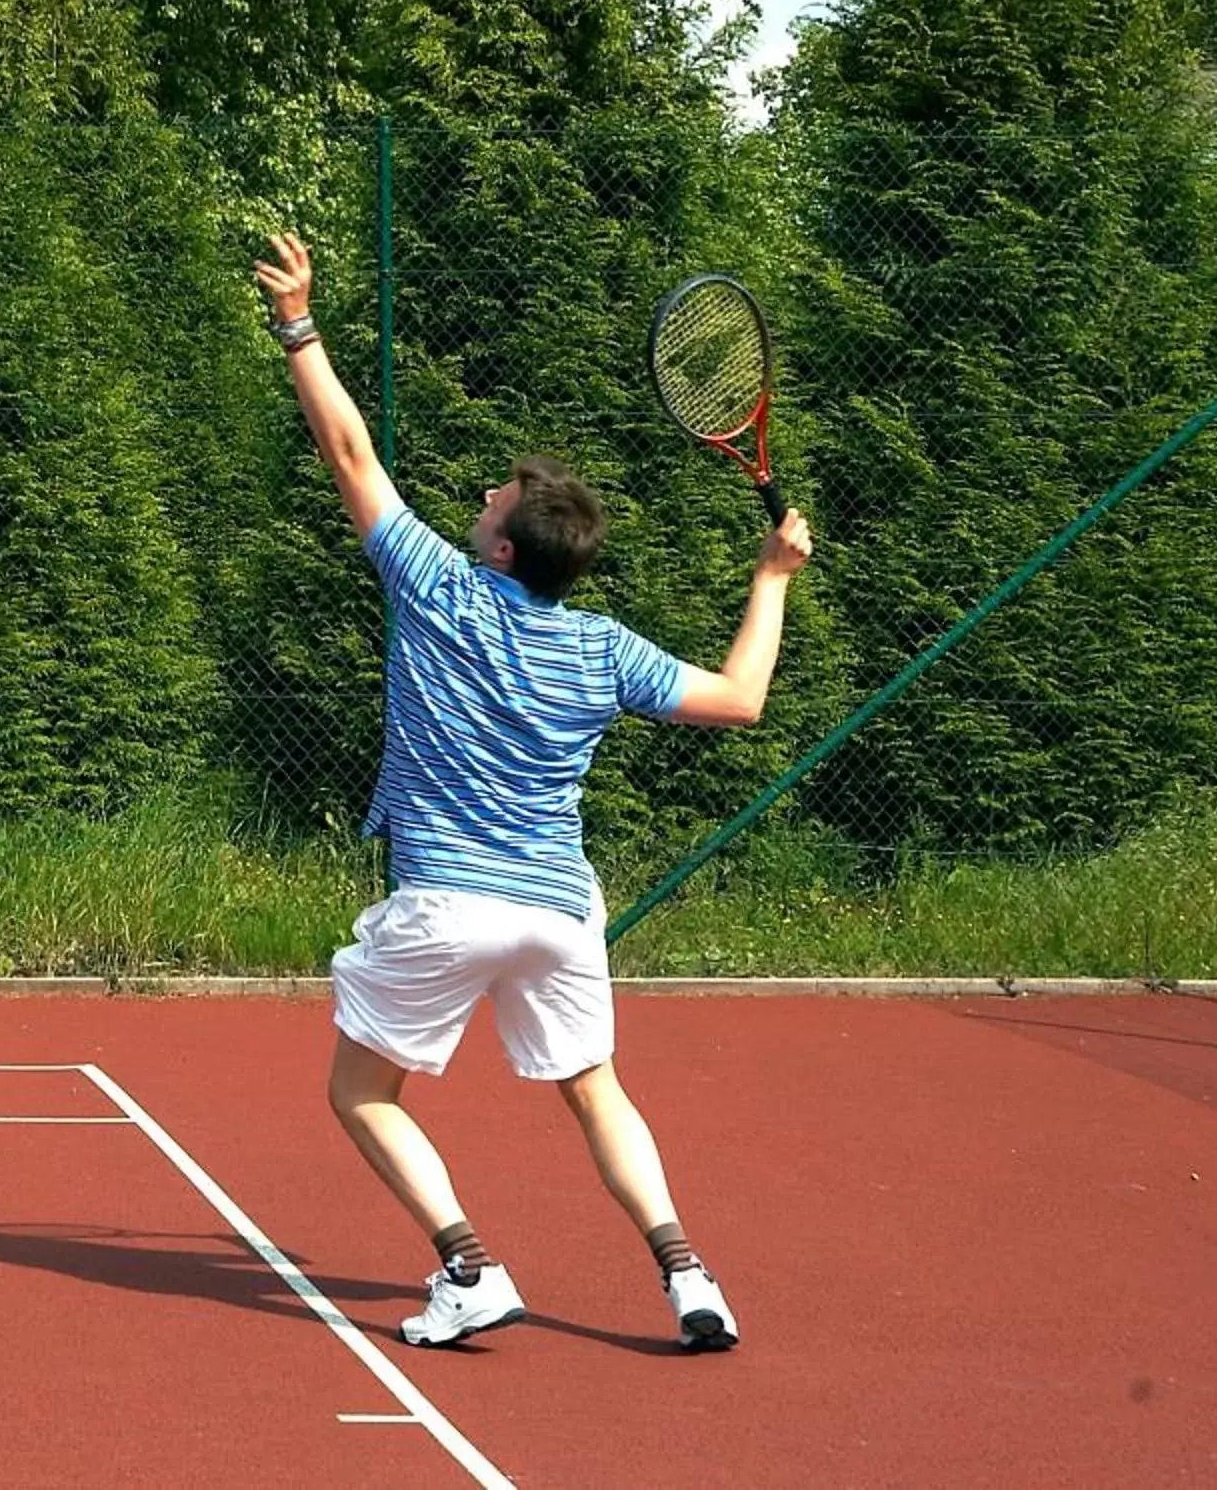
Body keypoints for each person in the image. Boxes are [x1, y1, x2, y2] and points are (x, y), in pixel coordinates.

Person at [251, 233, 813, 1353]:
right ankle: (689, 1276)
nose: (481, 494)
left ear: (503, 549)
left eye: (493, 495)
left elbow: (351, 454)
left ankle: (470, 1267)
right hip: (560, 911)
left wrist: (300, 325)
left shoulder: (441, 593)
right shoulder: (602, 650)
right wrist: (771, 579)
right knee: (597, 1089)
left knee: (361, 1094)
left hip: (450, 903)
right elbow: (744, 697)